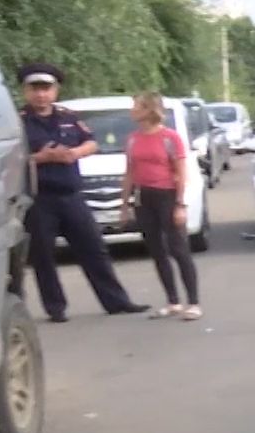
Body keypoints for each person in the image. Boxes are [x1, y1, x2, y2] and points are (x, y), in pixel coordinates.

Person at [17, 62, 148, 322]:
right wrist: (39, 157)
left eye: (46, 88)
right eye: (35, 89)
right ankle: (56, 309)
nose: (41, 94)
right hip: (39, 198)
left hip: (72, 195)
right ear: (26, 91)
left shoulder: (68, 117)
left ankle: (117, 302)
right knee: (43, 257)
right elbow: (10, 158)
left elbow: (91, 143)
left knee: (94, 249)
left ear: (56, 90)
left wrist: (74, 153)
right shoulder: (18, 122)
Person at [119, 92, 201, 320]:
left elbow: (181, 172)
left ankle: (193, 302)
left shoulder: (169, 137)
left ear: (149, 110)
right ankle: (172, 301)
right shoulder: (133, 138)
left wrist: (180, 204)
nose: (132, 110)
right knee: (156, 250)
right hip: (144, 198)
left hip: (167, 195)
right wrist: (124, 204)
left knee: (178, 248)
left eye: (137, 106)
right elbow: (129, 172)